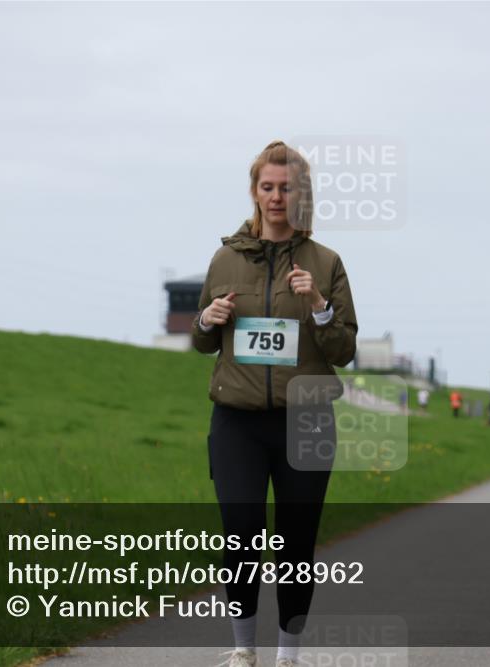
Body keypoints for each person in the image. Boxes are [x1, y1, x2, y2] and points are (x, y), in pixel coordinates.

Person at [192, 141, 358, 667]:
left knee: (295, 544)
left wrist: (319, 306)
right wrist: (207, 320)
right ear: (254, 191)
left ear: (301, 193)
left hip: (305, 420)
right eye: (268, 187)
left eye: (286, 188)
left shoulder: (325, 263)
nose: (276, 197)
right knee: (241, 533)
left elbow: (345, 350)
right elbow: (201, 340)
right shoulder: (224, 258)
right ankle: (244, 650)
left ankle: (289, 653)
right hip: (237, 421)